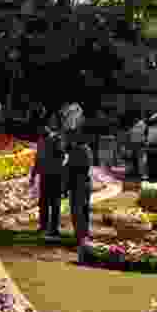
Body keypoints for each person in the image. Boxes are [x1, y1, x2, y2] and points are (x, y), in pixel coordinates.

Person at [62, 104, 94, 247]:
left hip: (78, 184)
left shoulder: (77, 151)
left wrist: (65, 186)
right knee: (84, 210)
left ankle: (81, 238)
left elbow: (71, 169)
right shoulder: (86, 150)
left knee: (78, 211)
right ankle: (84, 235)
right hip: (85, 183)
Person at [31, 125, 67, 240]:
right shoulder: (41, 141)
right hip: (44, 176)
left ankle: (54, 229)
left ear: (48, 129)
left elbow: (62, 156)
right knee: (43, 203)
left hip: (55, 177)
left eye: (43, 131)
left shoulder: (57, 139)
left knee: (55, 203)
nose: (41, 134)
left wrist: (57, 169)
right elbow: (37, 159)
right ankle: (43, 226)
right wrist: (33, 175)